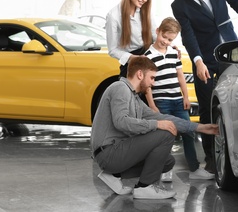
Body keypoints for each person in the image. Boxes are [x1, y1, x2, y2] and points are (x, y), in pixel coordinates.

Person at [91, 56, 219, 199]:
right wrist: (157, 125)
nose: (153, 83)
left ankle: (115, 174)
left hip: (114, 153)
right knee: (166, 133)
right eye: (152, 78)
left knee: (167, 161)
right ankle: (145, 186)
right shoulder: (120, 88)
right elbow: (121, 122)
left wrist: (201, 128)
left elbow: (164, 118)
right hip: (109, 153)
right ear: (140, 74)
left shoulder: (134, 99)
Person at [169, 0, 238, 172]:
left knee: (235, 104)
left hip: (230, 53)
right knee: (206, 109)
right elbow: (188, 35)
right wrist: (198, 61)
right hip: (203, 59)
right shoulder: (179, 6)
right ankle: (212, 162)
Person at [144, 17, 214, 181]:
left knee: (189, 132)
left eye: (170, 39)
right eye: (164, 37)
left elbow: (180, 76)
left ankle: (195, 169)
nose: (166, 42)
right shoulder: (148, 56)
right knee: (165, 136)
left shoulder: (174, 53)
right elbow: (147, 85)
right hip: (161, 102)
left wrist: (186, 97)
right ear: (157, 32)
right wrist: (152, 105)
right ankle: (164, 169)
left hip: (178, 101)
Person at [106, 0, 157, 78]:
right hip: (130, 64)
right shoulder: (113, 15)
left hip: (148, 59)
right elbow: (112, 50)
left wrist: (169, 47)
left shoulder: (146, 11)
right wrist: (133, 58)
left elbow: (155, 36)